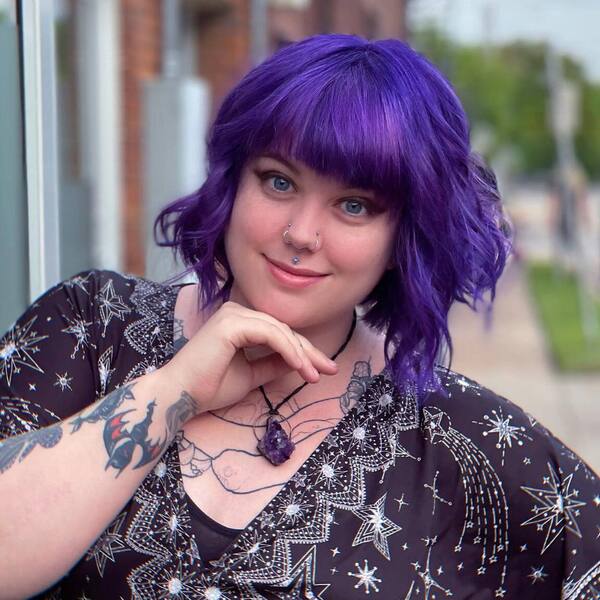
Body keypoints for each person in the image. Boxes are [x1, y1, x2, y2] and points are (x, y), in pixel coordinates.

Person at [0, 34, 598, 600]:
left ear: (404, 237)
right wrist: (173, 390)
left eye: (354, 205)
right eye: (278, 181)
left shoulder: (469, 447)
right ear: (233, 182)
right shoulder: (92, 329)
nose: (301, 233)